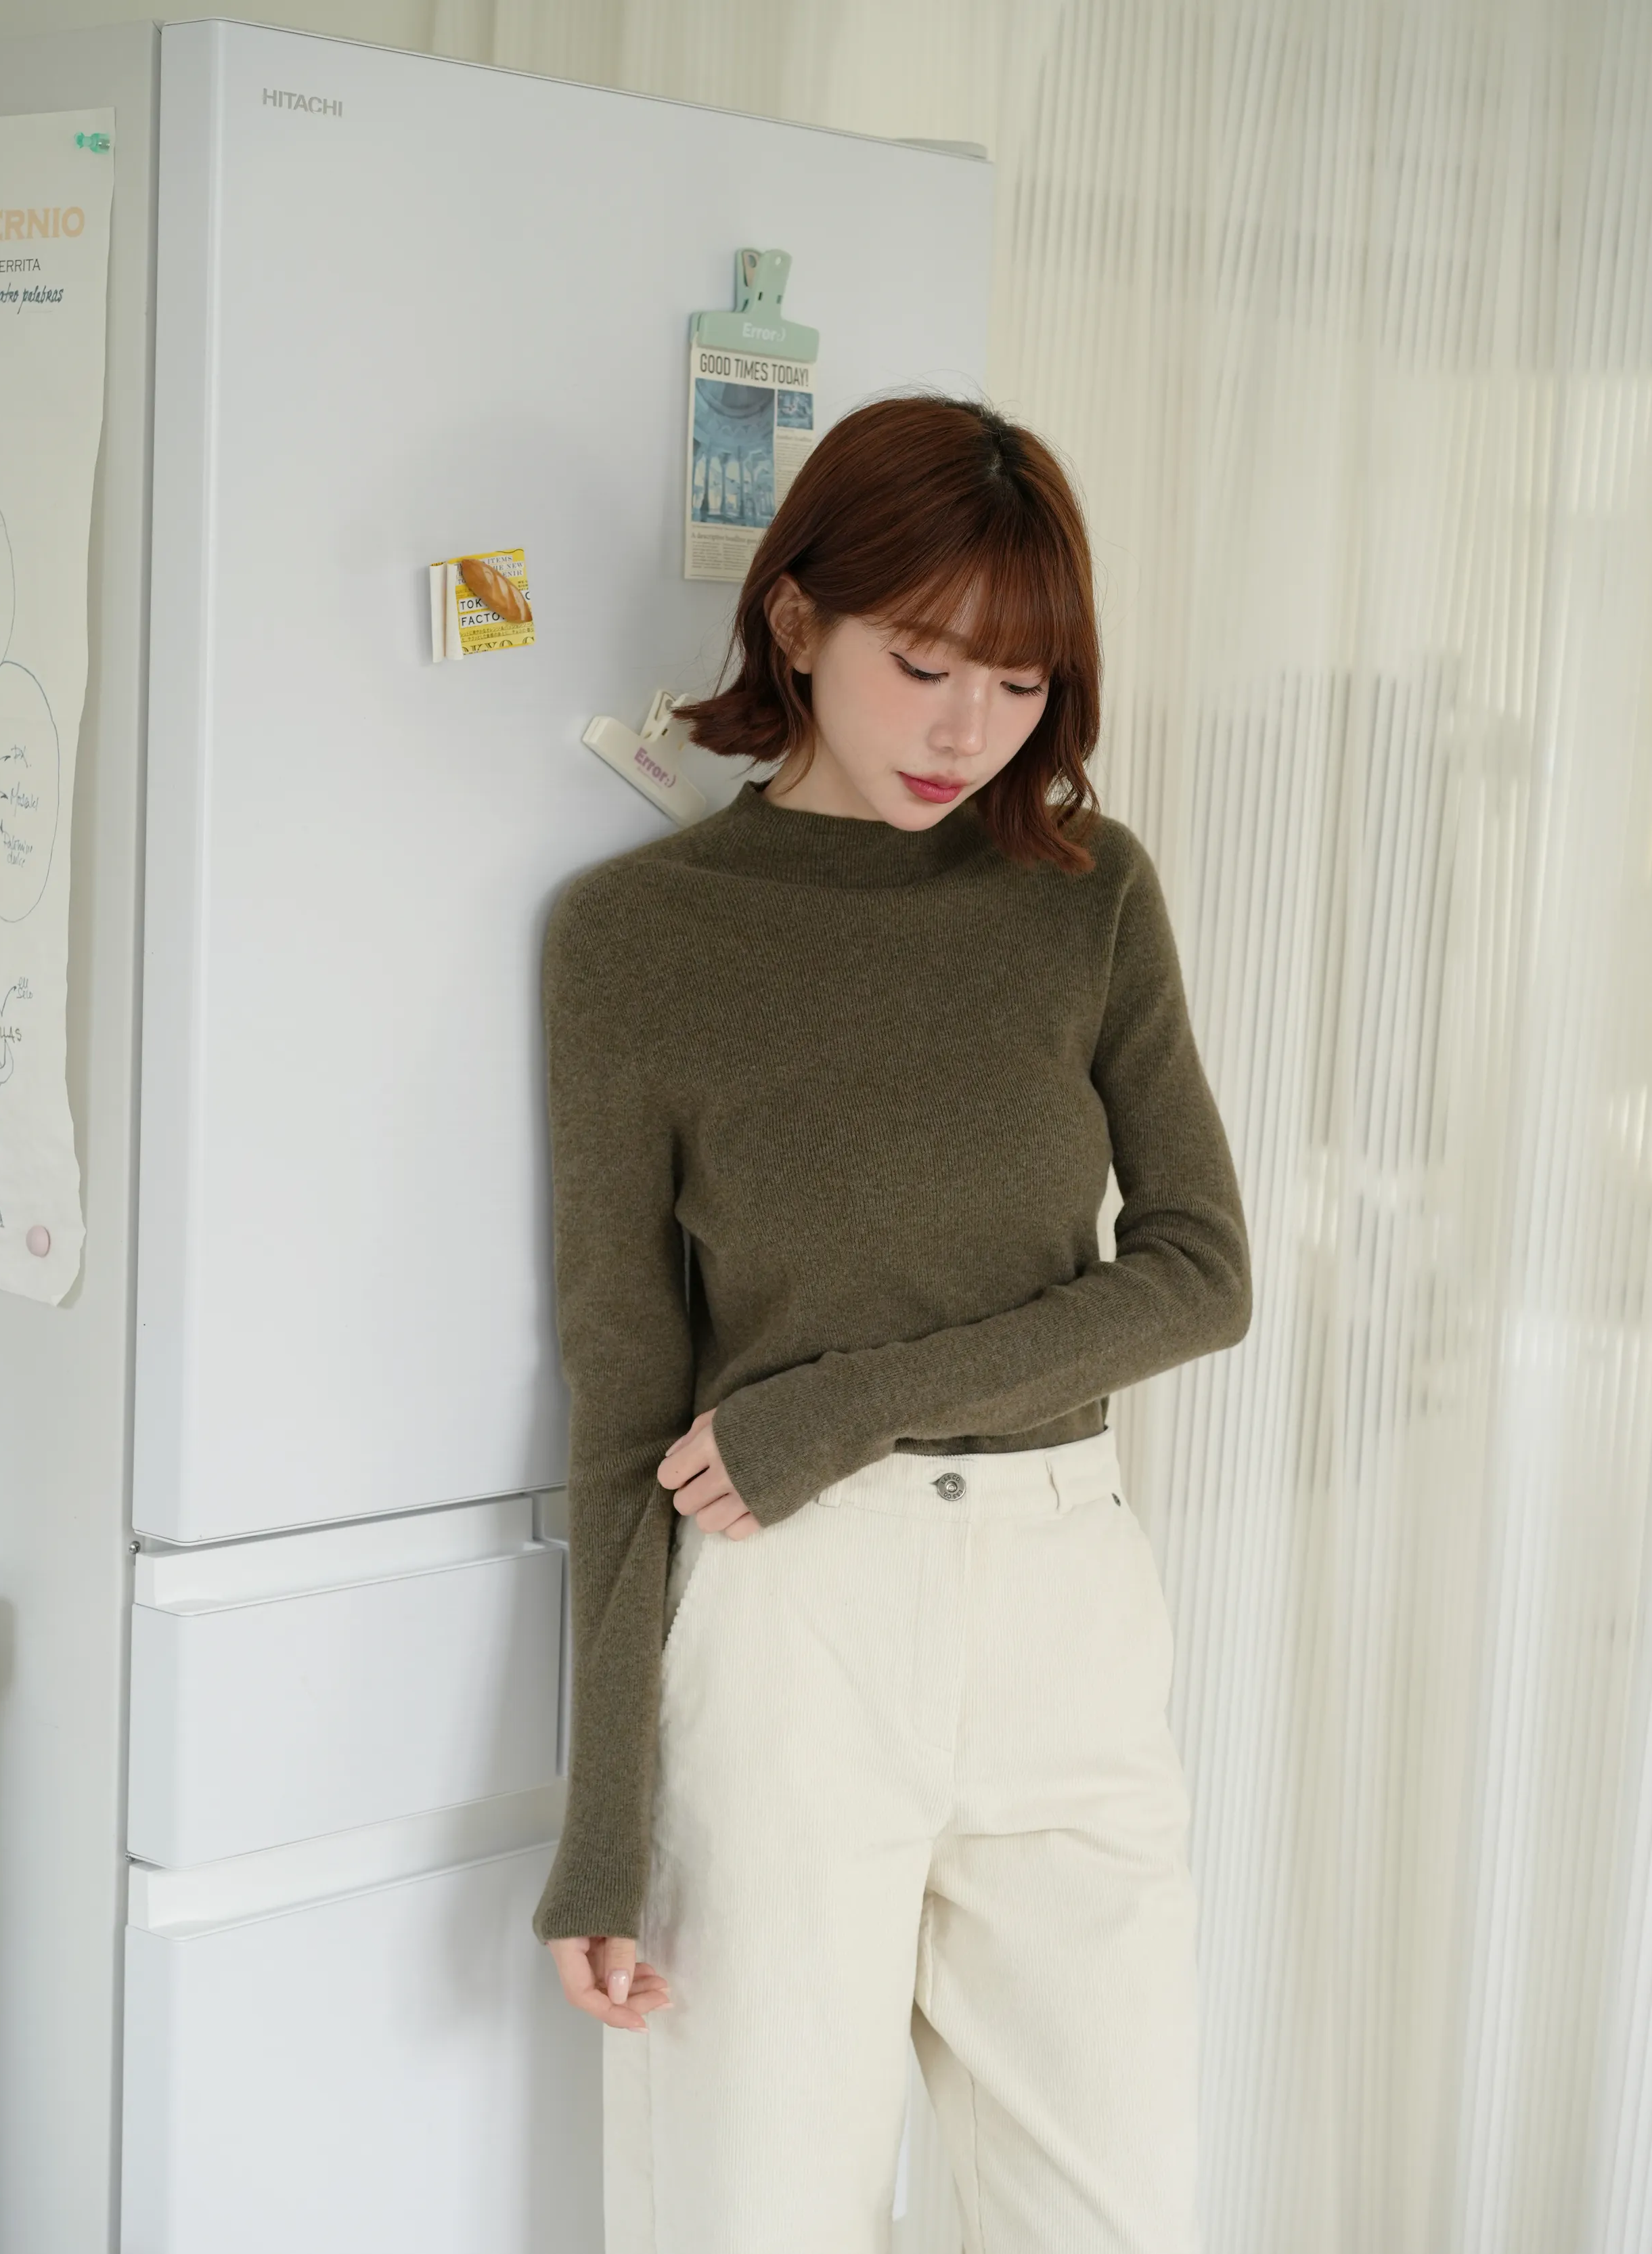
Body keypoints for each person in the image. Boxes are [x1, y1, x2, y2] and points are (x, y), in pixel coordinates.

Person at [532, 392, 1254, 2253]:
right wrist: (602, 1832)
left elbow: (1202, 1271)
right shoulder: (637, 936)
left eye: (1019, 685)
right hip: (787, 1630)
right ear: (796, 619)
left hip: (1064, 1609)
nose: (966, 732)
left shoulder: (1086, 894)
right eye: (923, 664)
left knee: (1109, 2216)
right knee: (754, 2211)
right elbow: (622, 1397)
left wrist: (840, 1405)